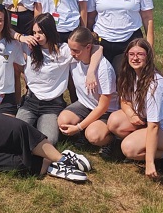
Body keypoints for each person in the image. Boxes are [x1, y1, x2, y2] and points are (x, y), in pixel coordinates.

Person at [107, 39, 163, 179]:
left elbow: (154, 127)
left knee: (128, 148)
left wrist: (149, 163)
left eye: (140, 54)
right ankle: (142, 146)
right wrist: (131, 114)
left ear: (148, 57)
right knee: (114, 121)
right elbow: (124, 100)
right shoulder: (131, 75)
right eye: (131, 54)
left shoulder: (155, 87)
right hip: (149, 120)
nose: (135, 58)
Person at [16, 14, 101, 145]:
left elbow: (98, 48)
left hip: (52, 105)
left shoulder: (64, 50)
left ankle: (39, 129)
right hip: (30, 102)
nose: (37, 36)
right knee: (16, 133)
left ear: (50, 31)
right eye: (34, 32)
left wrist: (91, 73)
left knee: (50, 141)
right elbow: (6, 33)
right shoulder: (28, 47)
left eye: (41, 32)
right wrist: (21, 37)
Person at [57, 27, 119, 151]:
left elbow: (103, 106)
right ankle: (85, 131)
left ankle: (113, 140)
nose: (71, 53)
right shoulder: (74, 57)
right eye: (70, 49)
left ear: (88, 47)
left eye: (76, 50)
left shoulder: (104, 69)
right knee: (63, 121)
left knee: (94, 135)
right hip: (85, 104)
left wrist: (78, 127)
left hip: (106, 111)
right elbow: (98, 48)